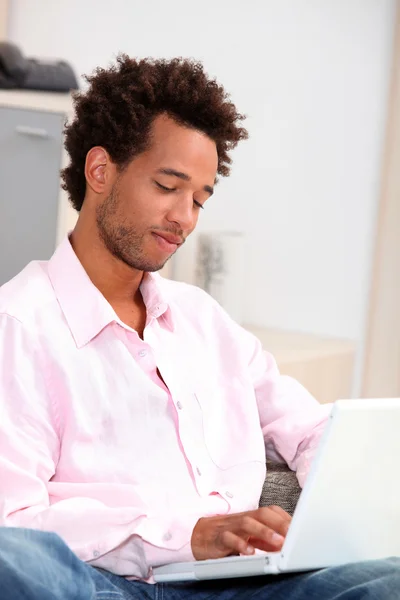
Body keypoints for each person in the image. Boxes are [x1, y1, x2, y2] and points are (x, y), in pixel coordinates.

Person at [0, 55, 398, 600]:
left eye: (200, 199)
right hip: (106, 583)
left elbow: (309, 430)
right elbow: (14, 522)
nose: (185, 217)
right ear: (100, 171)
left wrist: (353, 497)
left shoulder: (205, 323)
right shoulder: (18, 326)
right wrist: (187, 536)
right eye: (168, 185)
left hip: (240, 583)